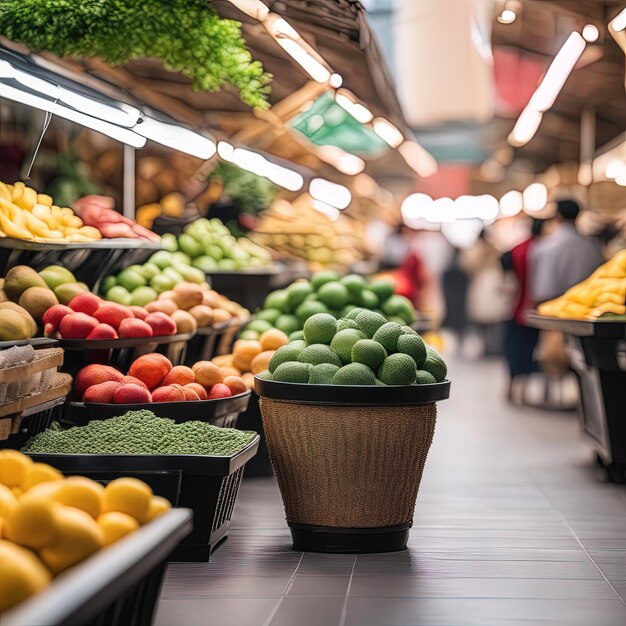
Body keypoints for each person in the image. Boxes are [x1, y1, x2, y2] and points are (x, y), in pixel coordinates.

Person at [501, 218, 546, 403]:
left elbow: (504, 265)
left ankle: (511, 388)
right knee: (530, 351)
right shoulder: (542, 250)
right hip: (535, 310)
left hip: (515, 307)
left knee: (513, 350)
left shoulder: (518, 248)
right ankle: (523, 391)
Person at [529, 199, 605, 304]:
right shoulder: (593, 246)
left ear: (557, 215)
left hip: (555, 311)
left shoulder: (545, 247)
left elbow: (542, 292)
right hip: (589, 307)